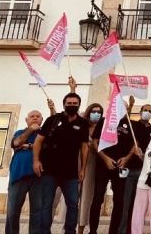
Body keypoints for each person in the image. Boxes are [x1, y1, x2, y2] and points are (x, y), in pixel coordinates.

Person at [34, 92, 90, 234]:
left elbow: (84, 147)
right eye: (69, 103)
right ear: (64, 104)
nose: (72, 106)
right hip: (49, 171)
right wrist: (36, 161)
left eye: (74, 104)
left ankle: (70, 231)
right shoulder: (53, 120)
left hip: (71, 173)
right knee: (46, 204)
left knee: (73, 204)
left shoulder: (82, 123)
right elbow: (38, 141)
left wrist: (82, 168)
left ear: (78, 105)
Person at [90, 104, 132, 234]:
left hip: (120, 167)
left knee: (119, 201)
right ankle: (93, 231)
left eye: (124, 107)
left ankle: (113, 231)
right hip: (103, 165)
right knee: (97, 199)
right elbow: (94, 142)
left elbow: (134, 145)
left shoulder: (129, 124)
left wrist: (126, 158)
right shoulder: (104, 121)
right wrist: (105, 158)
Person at [119, 102, 151, 234]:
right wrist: (129, 107)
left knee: (138, 205)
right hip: (129, 170)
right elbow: (124, 121)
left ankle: (134, 230)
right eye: (145, 110)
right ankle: (122, 230)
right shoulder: (133, 125)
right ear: (140, 112)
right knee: (125, 202)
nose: (147, 112)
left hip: (144, 172)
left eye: (149, 111)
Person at [7, 110, 45, 234]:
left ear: (42, 119)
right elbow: (16, 143)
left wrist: (27, 146)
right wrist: (30, 131)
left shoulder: (44, 134)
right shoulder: (20, 132)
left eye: (37, 116)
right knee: (13, 210)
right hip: (19, 175)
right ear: (26, 120)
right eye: (32, 117)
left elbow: (46, 147)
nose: (35, 118)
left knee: (37, 211)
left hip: (38, 176)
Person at [78, 104, 103, 234]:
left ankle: (81, 230)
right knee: (72, 195)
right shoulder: (82, 124)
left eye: (99, 112)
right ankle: (69, 227)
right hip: (78, 160)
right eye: (94, 111)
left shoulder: (102, 128)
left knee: (87, 196)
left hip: (93, 162)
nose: (96, 114)